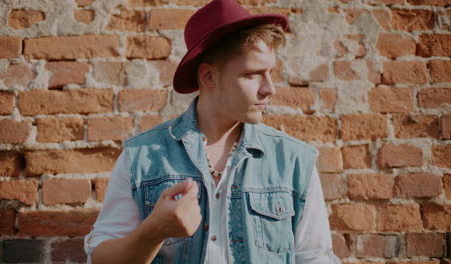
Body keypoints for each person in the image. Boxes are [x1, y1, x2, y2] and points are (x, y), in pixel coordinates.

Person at [84, 0, 341, 263]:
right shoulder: (141, 158)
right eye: (253, 74)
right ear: (209, 77)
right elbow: (101, 259)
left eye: (270, 72)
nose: (269, 88)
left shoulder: (294, 161)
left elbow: (315, 258)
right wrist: (154, 231)